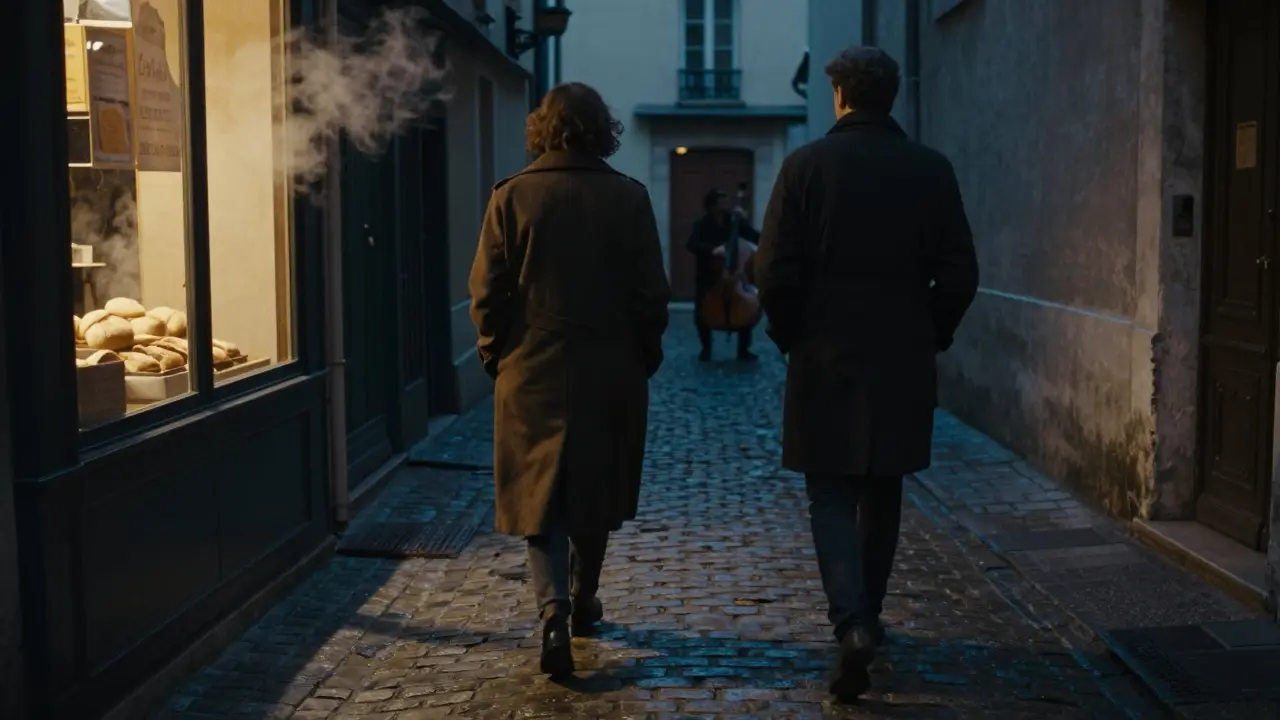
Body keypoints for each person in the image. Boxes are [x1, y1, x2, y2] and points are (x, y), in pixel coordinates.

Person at [754, 46, 979, 702]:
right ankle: (869, 614)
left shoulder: (805, 168)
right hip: (900, 356)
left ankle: (850, 621)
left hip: (824, 354)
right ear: (892, 96)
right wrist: (931, 331)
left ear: (840, 97)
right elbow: (961, 272)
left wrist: (789, 332)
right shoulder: (930, 170)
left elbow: (773, 271)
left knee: (829, 491)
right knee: (882, 487)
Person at [468, 82, 671, 678]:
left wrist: (496, 356)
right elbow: (651, 294)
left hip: (531, 367)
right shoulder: (628, 198)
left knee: (541, 497)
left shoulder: (513, 196)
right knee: (594, 489)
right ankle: (583, 600)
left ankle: (554, 610)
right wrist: (643, 355)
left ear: (542, 129)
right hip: (610, 366)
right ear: (601, 129)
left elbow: (488, 294)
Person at [686, 187, 759, 362]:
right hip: (710, 277)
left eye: (725, 202)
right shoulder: (702, 225)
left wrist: (744, 221)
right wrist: (712, 250)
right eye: (720, 202)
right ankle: (706, 349)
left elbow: (756, 237)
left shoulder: (733, 221)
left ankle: (743, 350)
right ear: (711, 205)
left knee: (745, 307)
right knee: (701, 314)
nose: (724, 205)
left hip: (735, 275)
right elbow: (691, 244)